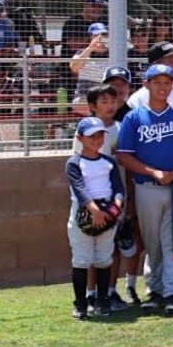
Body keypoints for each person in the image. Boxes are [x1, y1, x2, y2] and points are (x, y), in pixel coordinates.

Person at [115, 64, 173, 314]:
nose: (162, 87)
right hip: (147, 186)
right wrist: (152, 172)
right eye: (157, 82)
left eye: (167, 82)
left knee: (172, 241)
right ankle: (155, 289)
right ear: (146, 85)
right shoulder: (134, 118)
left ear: (172, 85)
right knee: (152, 242)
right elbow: (124, 155)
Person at [66, 117, 127, 320]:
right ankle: (81, 304)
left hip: (107, 211)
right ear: (80, 138)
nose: (97, 139)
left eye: (100, 135)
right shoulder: (74, 162)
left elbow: (118, 189)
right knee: (82, 260)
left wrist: (113, 210)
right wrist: (94, 212)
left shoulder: (108, 162)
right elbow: (80, 189)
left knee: (103, 258)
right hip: (84, 213)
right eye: (92, 136)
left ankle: (103, 301)